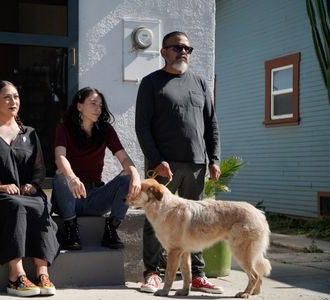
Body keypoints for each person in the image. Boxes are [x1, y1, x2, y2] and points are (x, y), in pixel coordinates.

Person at [135, 31, 223, 294]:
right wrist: (157, 159)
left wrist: (214, 159)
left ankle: (197, 275)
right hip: (163, 168)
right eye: (177, 47)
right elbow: (142, 127)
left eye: (187, 49)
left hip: (196, 164)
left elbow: (211, 124)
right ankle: (151, 273)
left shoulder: (200, 83)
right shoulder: (151, 83)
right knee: (155, 221)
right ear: (163, 52)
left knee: (196, 223)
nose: (183, 52)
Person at [0, 80, 59, 297]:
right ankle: (15, 276)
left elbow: (39, 170)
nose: (13, 101)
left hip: (23, 195)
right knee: (15, 206)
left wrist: (33, 185)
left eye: (16, 96)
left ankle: (41, 272)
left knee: (40, 204)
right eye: (7, 97)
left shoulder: (30, 133)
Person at [52, 86, 141, 250]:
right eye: (93, 103)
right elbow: (60, 157)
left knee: (128, 176)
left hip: (95, 198)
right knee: (60, 174)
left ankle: (111, 229)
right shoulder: (64, 128)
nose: (98, 109)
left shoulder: (106, 130)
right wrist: (72, 178)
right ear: (79, 106)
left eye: (100, 105)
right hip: (70, 198)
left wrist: (135, 175)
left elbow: (124, 157)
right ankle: (71, 230)